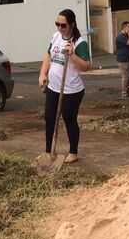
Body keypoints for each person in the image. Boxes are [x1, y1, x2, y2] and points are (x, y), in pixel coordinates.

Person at [38, 9, 91, 163]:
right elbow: (48, 55)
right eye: (57, 24)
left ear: (72, 24)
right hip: (54, 87)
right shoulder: (56, 37)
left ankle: (73, 152)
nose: (60, 28)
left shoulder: (79, 43)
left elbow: (86, 66)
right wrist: (43, 74)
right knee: (49, 118)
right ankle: (49, 152)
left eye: (63, 25)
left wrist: (73, 55)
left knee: (69, 119)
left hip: (71, 90)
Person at [115, 21, 129, 98]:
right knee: (126, 77)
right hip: (124, 60)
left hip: (128, 59)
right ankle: (124, 93)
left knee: (127, 76)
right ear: (124, 28)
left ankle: (126, 91)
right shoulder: (120, 37)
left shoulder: (126, 35)